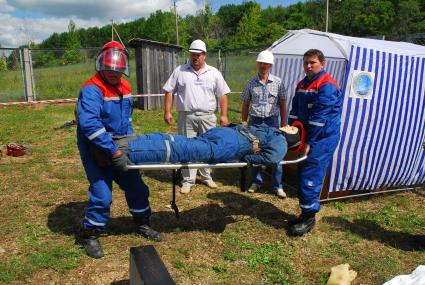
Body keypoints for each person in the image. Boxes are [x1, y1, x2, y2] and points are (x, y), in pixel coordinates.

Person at [75, 41, 161, 259]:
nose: (114, 75)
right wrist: (112, 151)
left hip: (121, 144)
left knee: (137, 187)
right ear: (100, 65)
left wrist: (129, 146)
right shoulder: (91, 89)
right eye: (110, 70)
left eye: (118, 71)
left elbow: (127, 119)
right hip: (96, 146)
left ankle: (142, 223)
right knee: (102, 194)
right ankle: (90, 233)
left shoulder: (125, 87)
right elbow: (90, 125)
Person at [163, 39, 231, 194]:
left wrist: (224, 115)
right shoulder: (180, 71)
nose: (195, 58)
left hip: (208, 116)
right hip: (187, 116)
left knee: (208, 147)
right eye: (193, 54)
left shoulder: (214, 73)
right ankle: (187, 180)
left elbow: (222, 95)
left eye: (198, 55)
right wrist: (167, 111)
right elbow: (169, 90)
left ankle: (207, 176)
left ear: (204, 55)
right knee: (188, 147)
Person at [287, 49, 343, 236]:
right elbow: (295, 110)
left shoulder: (327, 85)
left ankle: (309, 218)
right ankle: (305, 213)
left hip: (321, 138)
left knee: (311, 175)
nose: (308, 66)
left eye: (312, 62)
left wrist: (309, 142)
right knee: (303, 172)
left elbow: (320, 118)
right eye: (306, 63)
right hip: (307, 135)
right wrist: (290, 132)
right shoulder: (302, 83)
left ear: (322, 63)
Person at [109, 123, 303, 167]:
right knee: (177, 145)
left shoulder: (281, 141)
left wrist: (248, 157)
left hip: (227, 139)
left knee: (178, 144)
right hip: (229, 139)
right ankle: (129, 146)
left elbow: (273, 157)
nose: (288, 126)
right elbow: (271, 157)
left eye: (292, 129)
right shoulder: (276, 135)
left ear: (292, 139)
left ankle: (128, 146)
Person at [241, 50, 288, 198]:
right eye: (261, 63)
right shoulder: (250, 82)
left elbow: (283, 103)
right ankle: (256, 181)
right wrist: (244, 121)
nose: (263, 66)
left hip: (272, 122)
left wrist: (284, 123)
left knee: (277, 152)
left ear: (271, 65)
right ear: (257, 64)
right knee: (255, 151)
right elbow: (245, 103)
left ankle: (277, 185)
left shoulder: (278, 83)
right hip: (254, 121)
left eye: (266, 63)